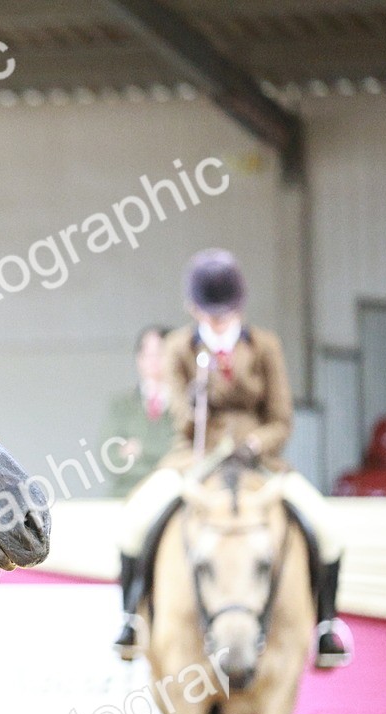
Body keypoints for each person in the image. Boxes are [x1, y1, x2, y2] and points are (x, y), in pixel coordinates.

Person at [113, 248, 349, 668]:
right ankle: (132, 618)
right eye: (209, 313)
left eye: (225, 312)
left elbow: (281, 418)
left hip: (260, 460)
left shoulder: (265, 346)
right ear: (193, 308)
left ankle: (326, 626)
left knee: (328, 529)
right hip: (196, 457)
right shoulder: (179, 347)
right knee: (133, 523)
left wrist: (255, 444)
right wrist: (195, 396)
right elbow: (181, 419)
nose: (218, 321)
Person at [101, 325, 174, 498]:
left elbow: (185, 454)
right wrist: (160, 453)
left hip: (172, 496)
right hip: (126, 494)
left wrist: (140, 448)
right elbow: (109, 456)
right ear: (139, 359)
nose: (153, 361)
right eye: (148, 354)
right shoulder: (121, 405)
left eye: (160, 354)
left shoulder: (188, 405)